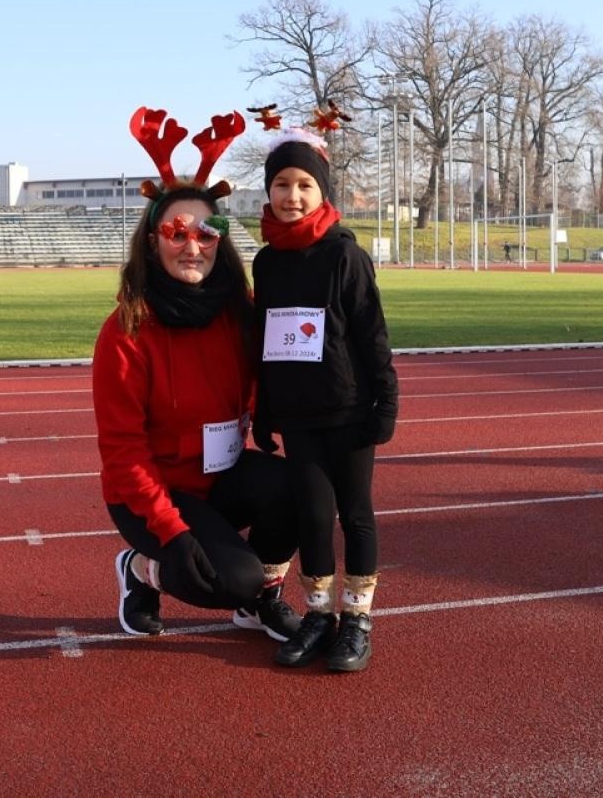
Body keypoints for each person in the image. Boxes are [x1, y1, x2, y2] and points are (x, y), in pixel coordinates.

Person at [92, 106, 301, 641]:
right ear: (152, 239)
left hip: (220, 475)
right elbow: (123, 451)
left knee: (303, 487)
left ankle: (262, 601)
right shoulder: (126, 332)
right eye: (176, 231)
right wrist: (170, 530)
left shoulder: (238, 312)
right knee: (231, 578)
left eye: (209, 232)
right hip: (150, 492)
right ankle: (142, 570)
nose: (193, 245)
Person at [252, 119, 399, 672]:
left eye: (304, 185)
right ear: (269, 190)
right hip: (298, 416)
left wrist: (386, 402)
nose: (292, 195)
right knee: (313, 517)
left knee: (354, 514)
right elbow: (265, 341)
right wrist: (264, 409)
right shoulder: (266, 262)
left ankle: (356, 619)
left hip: (350, 411)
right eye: (282, 184)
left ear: (322, 192)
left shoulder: (344, 256)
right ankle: (318, 614)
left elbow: (372, 335)